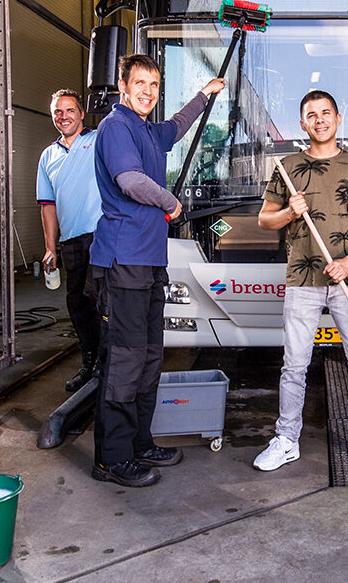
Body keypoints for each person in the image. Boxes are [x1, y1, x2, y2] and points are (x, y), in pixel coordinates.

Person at [251, 90, 348, 473]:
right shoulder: (288, 167)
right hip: (302, 279)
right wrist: (290, 212)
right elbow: (264, 220)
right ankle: (286, 440)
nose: (319, 120)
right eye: (311, 115)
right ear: (302, 124)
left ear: (338, 118)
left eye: (326, 113)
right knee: (294, 366)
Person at [89, 54, 226, 487]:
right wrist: (171, 202)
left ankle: (139, 444)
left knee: (149, 358)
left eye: (154, 84)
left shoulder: (148, 130)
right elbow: (130, 180)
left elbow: (177, 126)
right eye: (140, 83)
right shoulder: (116, 127)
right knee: (125, 360)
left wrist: (204, 95)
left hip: (149, 262)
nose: (148, 91)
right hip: (123, 261)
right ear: (123, 86)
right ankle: (111, 460)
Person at [36, 88, 102, 393]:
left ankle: (108, 365)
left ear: (81, 114)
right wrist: (51, 247)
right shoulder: (48, 156)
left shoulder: (99, 140)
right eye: (58, 112)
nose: (64, 117)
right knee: (78, 304)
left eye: (69, 110)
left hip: (102, 236)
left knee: (101, 300)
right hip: (72, 241)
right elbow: (47, 205)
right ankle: (89, 363)